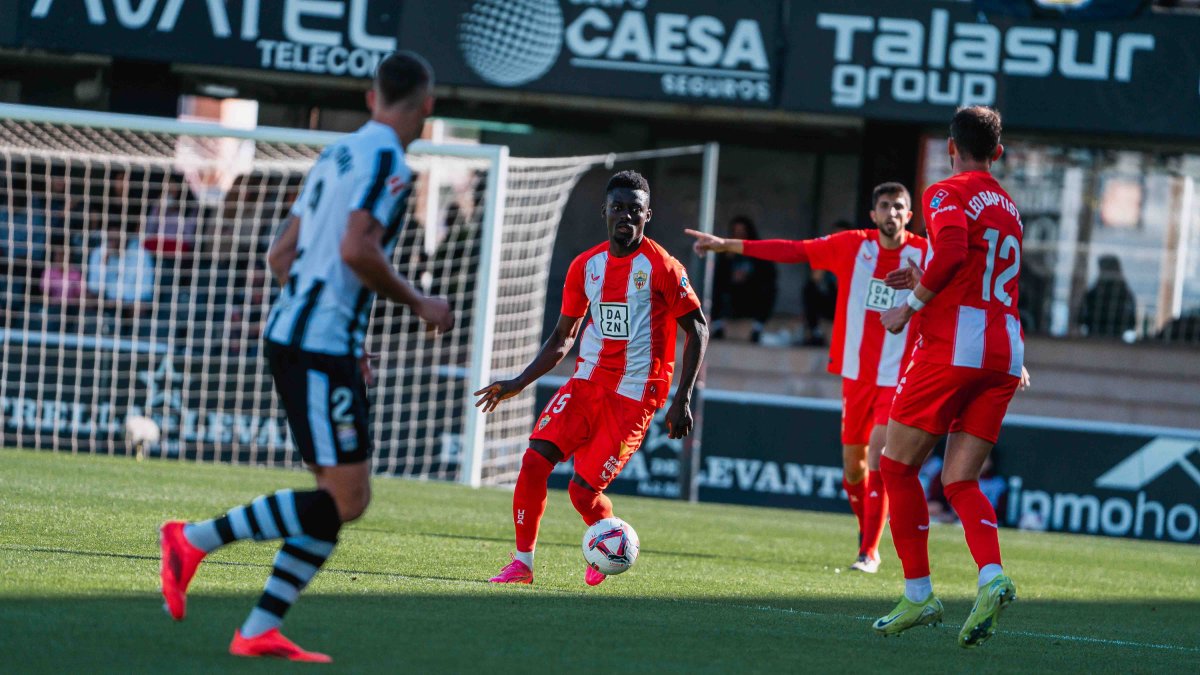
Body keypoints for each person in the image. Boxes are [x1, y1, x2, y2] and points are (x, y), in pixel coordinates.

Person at [157, 52, 453, 663]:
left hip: (306, 335)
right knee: (347, 498)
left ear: (372, 97)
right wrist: (421, 302)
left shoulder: (336, 154)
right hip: (316, 343)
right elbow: (356, 249)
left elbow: (282, 254)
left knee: (336, 496)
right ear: (427, 106)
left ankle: (258, 628)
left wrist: (345, 334)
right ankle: (191, 540)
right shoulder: (388, 162)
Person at [476, 170, 708, 587]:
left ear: (647, 215)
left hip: (635, 396)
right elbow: (562, 338)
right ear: (605, 210)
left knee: (582, 492)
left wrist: (682, 397)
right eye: (618, 208)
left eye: (634, 210)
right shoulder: (586, 266)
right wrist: (519, 381)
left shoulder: (663, 268)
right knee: (533, 463)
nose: (625, 216)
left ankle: (608, 543)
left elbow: (698, 329)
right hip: (586, 383)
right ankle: (523, 563)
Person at [686, 183, 931, 575]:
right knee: (854, 469)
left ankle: (868, 552)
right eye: (884, 205)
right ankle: (867, 527)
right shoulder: (853, 245)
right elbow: (795, 250)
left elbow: (956, 288)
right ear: (873, 214)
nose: (891, 213)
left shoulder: (924, 253)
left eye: (899, 207)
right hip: (856, 375)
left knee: (880, 460)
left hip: (900, 375)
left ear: (909, 214)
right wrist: (728, 245)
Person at [873, 106, 1030, 648]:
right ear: (999, 153)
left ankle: (919, 594)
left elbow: (958, 251)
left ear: (950, 146)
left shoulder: (948, 190)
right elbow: (982, 272)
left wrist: (909, 305)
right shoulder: (1009, 207)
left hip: (953, 349)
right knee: (960, 480)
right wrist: (926, 274)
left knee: (895, 467)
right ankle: (992, 575)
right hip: (1004, 349)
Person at [710, 216, 776, 343]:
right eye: (736, 232)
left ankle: (757, 329)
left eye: (742, 232)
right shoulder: (726, 252)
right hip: (731, 297)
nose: (739, 235)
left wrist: (748, 278)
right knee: (712, 286)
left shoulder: (758, 251)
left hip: (752, 295)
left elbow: (769, 275)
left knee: (768, 289)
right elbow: (718, 277)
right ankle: (718, 327)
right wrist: (728, 262)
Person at [801, 219, 855, 346]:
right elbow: (814, 281)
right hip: (832, 302)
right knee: (809, 290)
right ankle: (815, 331)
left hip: (851, 304)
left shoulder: (859, 256)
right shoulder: (827, 255)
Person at [1078, 254, 1137, 338]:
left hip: (1101, 341)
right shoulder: (1125, 295)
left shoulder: (1094, 294)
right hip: (1105, 341)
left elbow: (1081, 319)